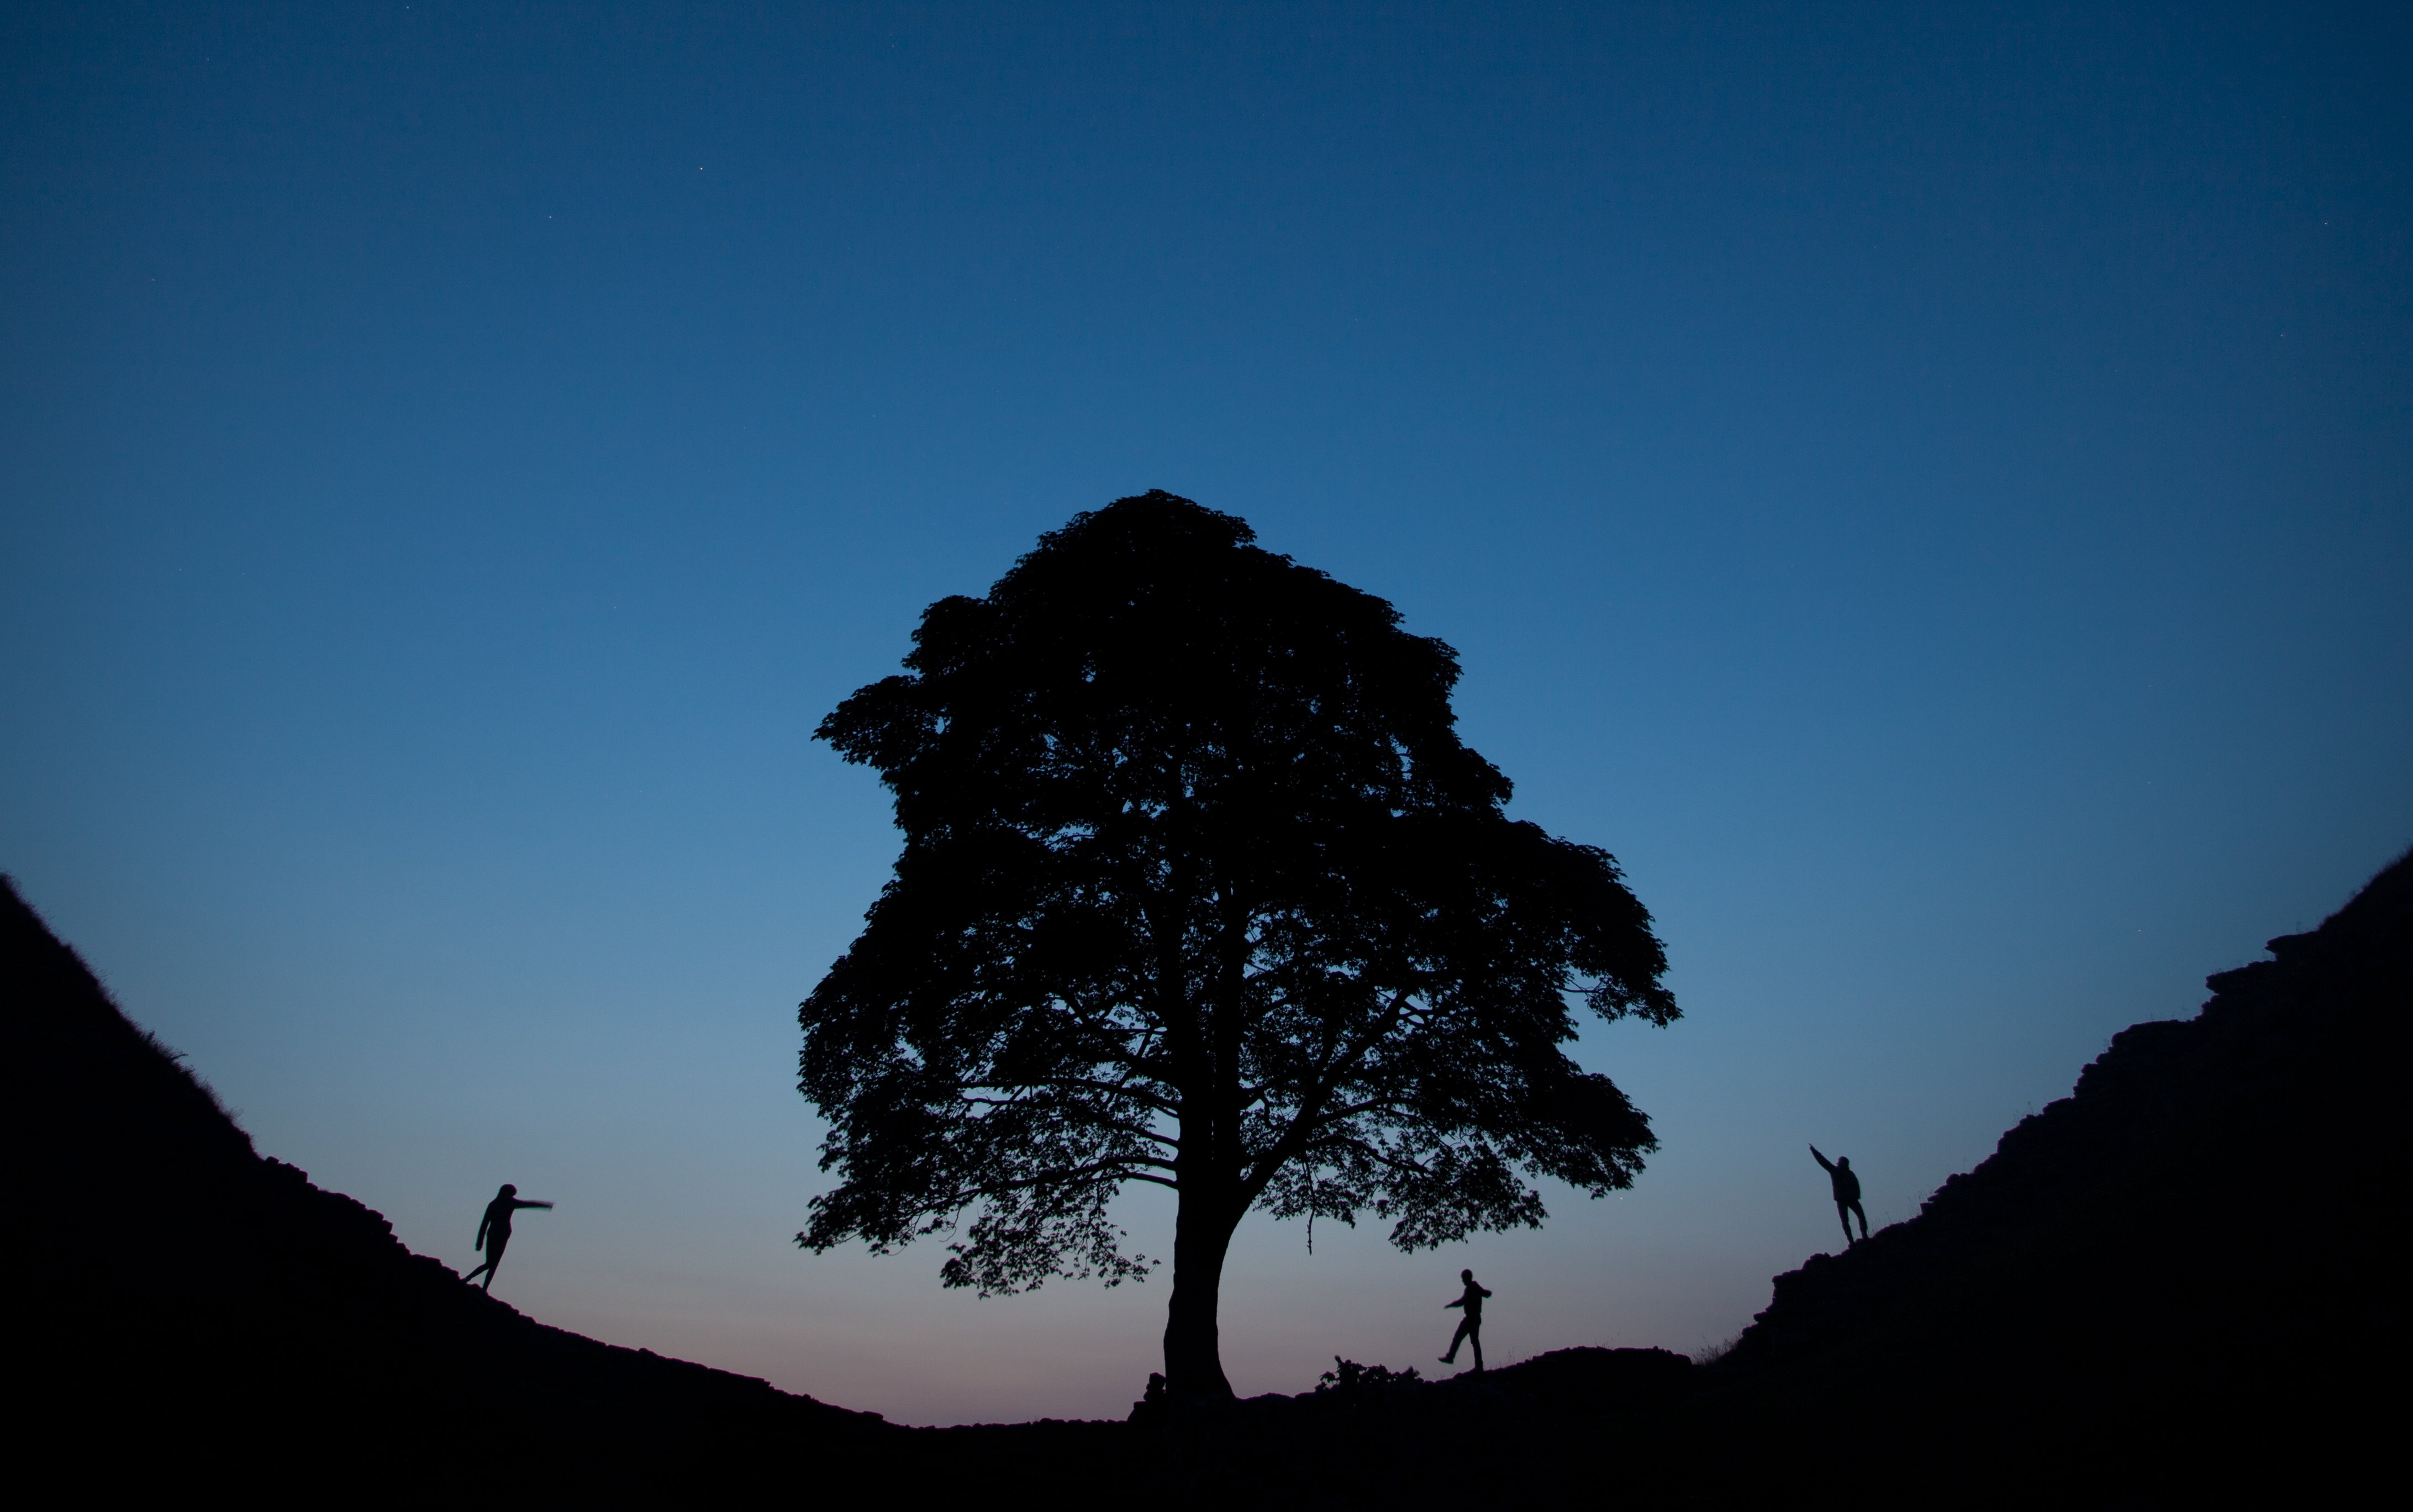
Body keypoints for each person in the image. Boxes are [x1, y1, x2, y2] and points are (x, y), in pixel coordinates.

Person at [463, 1183, 554, 1292]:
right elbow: (529, 1204)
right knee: (492, 1264)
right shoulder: (508, 1202)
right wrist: (545, 1206)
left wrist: (480, 1241)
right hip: (500, 1235)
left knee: (491, 1263)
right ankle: (476, 1283)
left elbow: (484, 1224)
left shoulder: (495, 1204)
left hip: (496, 1234)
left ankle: (479, 1285)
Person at [1809, 1145, 1868, 1247]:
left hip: (1850, 1199)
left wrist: (1856, 1196)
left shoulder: (1848, 1173)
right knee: (1847, 1221)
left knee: (1858, 1218)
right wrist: (1814, 1151)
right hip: (1843, 1200)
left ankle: (1863, 1237)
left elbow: (1856, 1186)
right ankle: (1852, 1241)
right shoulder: (1836, 1171)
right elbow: (1823, 1161)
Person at [1439, 1268, 1492, 1371]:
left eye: (1463, 1279)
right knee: (1473, 1341)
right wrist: (1452, 1305)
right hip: (1473, 1319)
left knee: (1462, 1338)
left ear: (1467, 1278)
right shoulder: (1471, 1288)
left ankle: (1452, 1358)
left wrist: (1451, 1305)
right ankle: (1478, 1366)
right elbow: (1465, 1300)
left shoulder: (1473, 1288)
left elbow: (1463, 1301)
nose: (1462, 1281)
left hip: (1472, 1319)